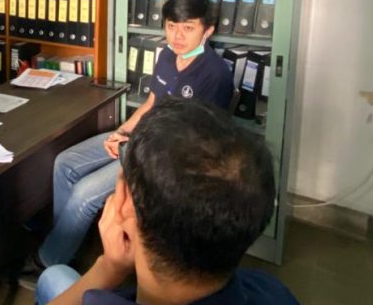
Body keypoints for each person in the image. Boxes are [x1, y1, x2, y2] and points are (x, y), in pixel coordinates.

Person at [22, 0, 234, 287]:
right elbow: (151, 104)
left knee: (83, 194)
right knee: (65, 162)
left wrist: (133, 150)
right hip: (141, 138)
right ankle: (65, 242)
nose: (177, 36)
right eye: (171, 26)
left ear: (207, 30)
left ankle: (46, 260)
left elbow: (197, 141)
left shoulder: (215, 74)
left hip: (165, 155)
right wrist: (121, 132)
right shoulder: (167, 56)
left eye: (188, 28)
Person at [36, 98, 299, 305]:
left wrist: (107, 268)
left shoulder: (96, 300)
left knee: (52, 277)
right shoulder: (271, 288)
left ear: (125, 203)